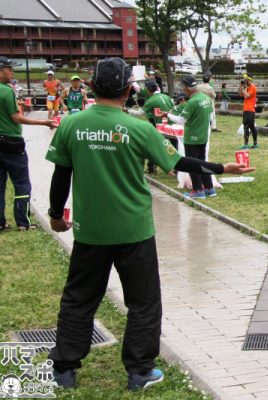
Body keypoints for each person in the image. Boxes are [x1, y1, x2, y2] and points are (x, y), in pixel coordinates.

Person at [45, 57, 254, 391]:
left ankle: (64, 369)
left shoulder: (72, 125)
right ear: (129, 90)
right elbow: (178, 160)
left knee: (79, 298)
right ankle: (140, 371)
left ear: (91, 86)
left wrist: (56, 214)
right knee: (143, 302)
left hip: (91, 232)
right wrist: (221, 168)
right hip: (134, 232)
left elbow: (61, 174)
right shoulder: (140, 129)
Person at [0, 56, 56, 232]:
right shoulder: (6, 91)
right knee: (22, 183)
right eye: (9, 69)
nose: (12, 72)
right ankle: (23, 222)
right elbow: (16, 117)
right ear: (1, 71)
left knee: (0, 184)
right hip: (11, 143)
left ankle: (1, 223)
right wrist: (44, 123)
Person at [167, 75, 216, 198]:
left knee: (192, 164)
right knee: (203, 162)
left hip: (192, 138)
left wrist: (168, 115)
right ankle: (209, 188)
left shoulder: (192, 102)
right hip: (203, 136)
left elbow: (180, 120)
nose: (183, 90)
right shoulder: (205, 98)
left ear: (188, 88)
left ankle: (198, 190)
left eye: (183, 87)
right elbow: (210, 116)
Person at [238, 73, 258, 149]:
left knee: (247, 127)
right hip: (247, 109)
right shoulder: (247, 87)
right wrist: (241, 86)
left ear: (250, 80)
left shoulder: (252, 87)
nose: (245, 81)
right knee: (251, 126)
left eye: (247, 80)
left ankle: (246, 144)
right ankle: (255, 144)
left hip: (249, 110)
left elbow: (247, 95)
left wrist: (244, 88)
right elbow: (240, 94)